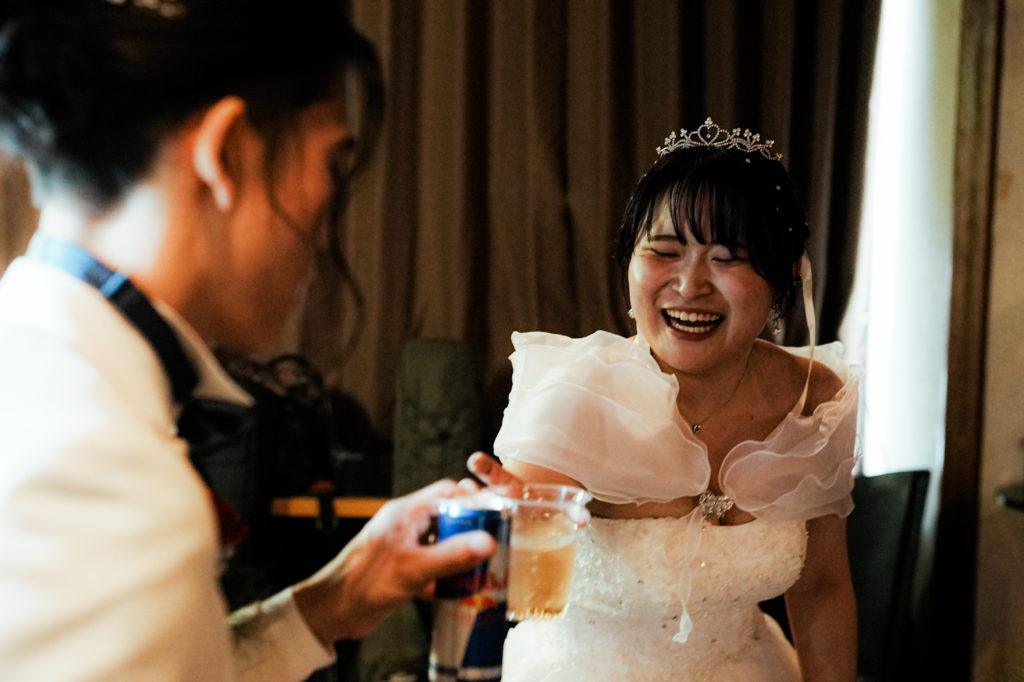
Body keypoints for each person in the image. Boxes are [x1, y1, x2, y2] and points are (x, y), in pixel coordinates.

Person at [0, 2, 497, 680]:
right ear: (227, 152)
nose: (326, 236)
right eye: (331, 168)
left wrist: (332, 600)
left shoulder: (39, 362)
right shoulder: (105, 480)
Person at [491, 118, 860, 681]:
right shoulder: (574, 397)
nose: (689, 286)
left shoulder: (815, 402)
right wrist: (510, 532)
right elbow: (521, 583)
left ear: (784, 275)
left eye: (728, 257)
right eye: (664, 251)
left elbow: (823, 587)